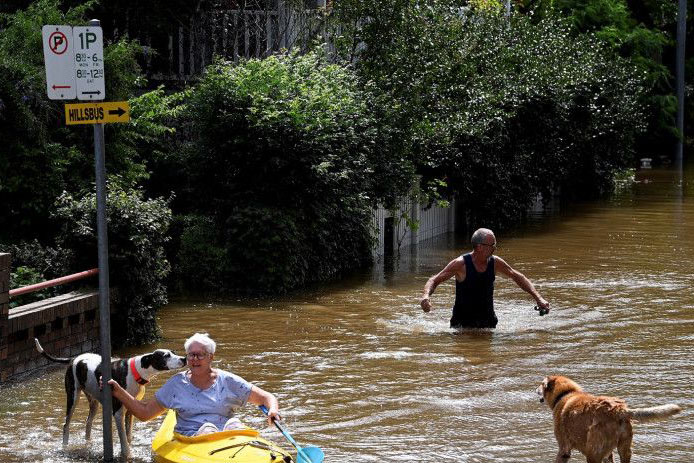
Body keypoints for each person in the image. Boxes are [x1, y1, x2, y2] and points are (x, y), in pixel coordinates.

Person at [108, 332, 280, 436]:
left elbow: (266, 397)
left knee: (234, 425)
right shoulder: (176, 385)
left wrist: (272, 410)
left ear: (211, 357)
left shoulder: (227, 380)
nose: (194, 360)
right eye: (191, 355)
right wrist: (118, 391)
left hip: (229, 437)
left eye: (200, 355)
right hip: (193, 439)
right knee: (207, 428)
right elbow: (145, 413)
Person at [420, 228, 550, 328]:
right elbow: (434, 280)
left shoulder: (495, 262)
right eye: (492, 245)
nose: (495, 248)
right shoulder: (461, 264)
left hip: (488, 323)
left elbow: (517, 277)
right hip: (462, 325)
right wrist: (426, 296)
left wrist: (538, 298)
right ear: (480, 247)